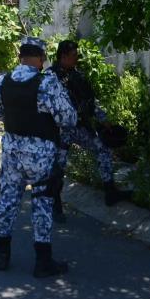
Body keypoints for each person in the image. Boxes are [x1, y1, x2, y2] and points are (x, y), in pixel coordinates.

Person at [0, 36, 77, 278]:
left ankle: (2, 254)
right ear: (41, 59)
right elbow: (68, 118)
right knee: (41, 204)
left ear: (20, 57)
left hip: (11, 153)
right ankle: (42, 261)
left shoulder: (2, 81)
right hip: (40, 156)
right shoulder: (46, 83)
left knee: (7, 201)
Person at [50, 40, 132, 209]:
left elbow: (89, 101)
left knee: (103, 148)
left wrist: (103, 119)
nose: (77, 58)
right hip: (61, 130)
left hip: (80, 127)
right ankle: (55, 199)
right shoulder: (50, 77)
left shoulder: (76, 74)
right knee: (59, 164)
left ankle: (110, 192)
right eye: (74, 55)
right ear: (63, 56)